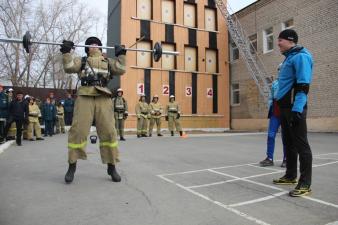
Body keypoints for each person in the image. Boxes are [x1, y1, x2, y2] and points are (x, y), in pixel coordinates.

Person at [60, 36, 126, 183]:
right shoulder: (82, 61)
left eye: (96, 44)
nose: (93, 46)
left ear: (101, 48)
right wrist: (66, 52)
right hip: (85, 96)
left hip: (103, 97)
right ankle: (72, 166)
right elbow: (69, 67)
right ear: (87, 48)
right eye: (90, 44)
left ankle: (111, 166)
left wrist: (121, 54)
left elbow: (121, 70)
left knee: (109, 131)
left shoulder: (108, 62)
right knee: (78, 131)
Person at [272, 29, 313, 197]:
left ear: (290, 40)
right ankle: (290, 175)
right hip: (284, 107)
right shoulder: (289, 57)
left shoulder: (301, 57)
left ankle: (305, 184)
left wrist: (297, 109)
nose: (278, 43)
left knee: (301, 145)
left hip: (294, 108)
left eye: (280, 40)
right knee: (288, 143)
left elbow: (303, 85)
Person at [259, 70, 286, 167]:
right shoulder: (275, 83)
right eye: (279, 70)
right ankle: (269, 158)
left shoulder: (289, 81)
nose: (280, 72)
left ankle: (286, 159)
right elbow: (271, 97)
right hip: (275, 112)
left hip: (285, 112)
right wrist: (270, 107)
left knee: (286, 137)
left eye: (282, 69)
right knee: (270, 135)